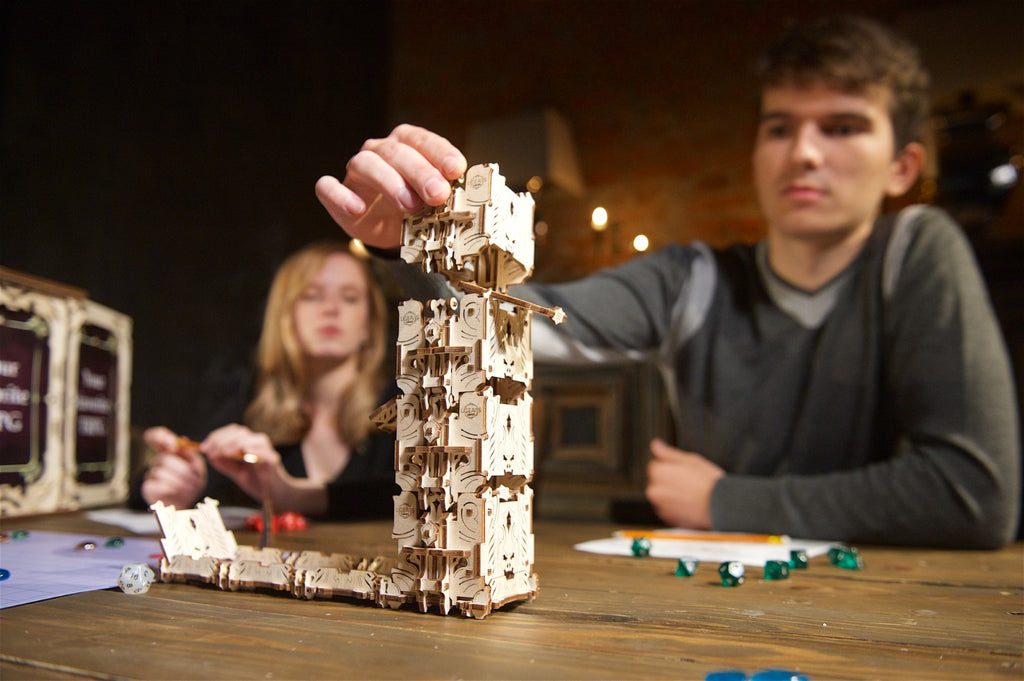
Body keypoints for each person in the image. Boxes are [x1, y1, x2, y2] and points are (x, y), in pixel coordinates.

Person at [313, 16, 1020, 548]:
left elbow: (973, 494)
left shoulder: (916, 252)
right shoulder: (692, 278)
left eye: (841, 127)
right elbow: (516, 316)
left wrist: (723, 500)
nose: (803, 153)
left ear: (902, 167)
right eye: (780, 127)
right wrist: (419, 246)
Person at [136, 241, 396, 519]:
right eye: (311, 295)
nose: (331, 308)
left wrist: (292, 496)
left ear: (369, 324)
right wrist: (171, 483)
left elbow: (416, 498)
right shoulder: (252, 404)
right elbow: (181, 472)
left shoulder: (406, 406)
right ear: (285, 317)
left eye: (350, 297)